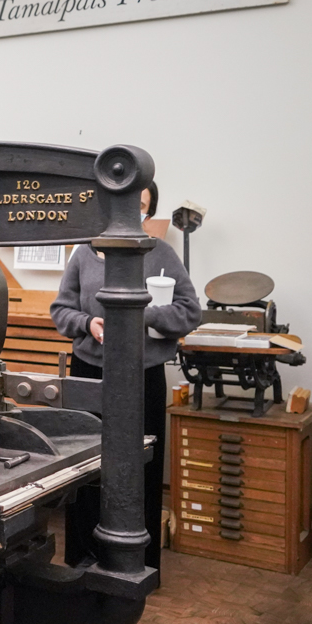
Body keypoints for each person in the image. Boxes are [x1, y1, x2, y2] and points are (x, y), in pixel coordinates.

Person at [50, 182, 201, 571]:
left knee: (141, 468)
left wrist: (142, 314)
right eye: (127, 205)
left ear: (148, 215)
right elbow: (61, 311)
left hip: (142, 376)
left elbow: (189, 312)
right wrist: (88, 322)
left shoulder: (161, 254)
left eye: (142, 208)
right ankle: (83, 557)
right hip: (91, 374)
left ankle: (139, 565)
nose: (133, 214)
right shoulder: (83, 254)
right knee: (85, 466)